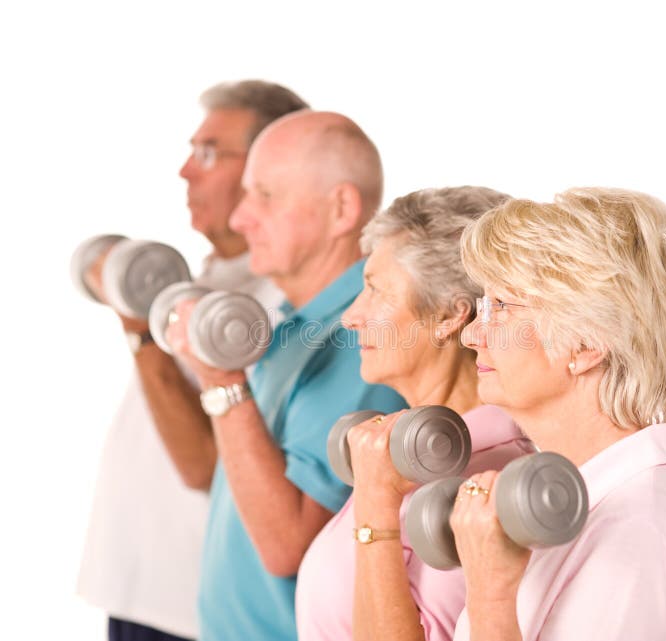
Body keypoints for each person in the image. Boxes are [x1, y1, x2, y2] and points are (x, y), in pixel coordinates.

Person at [77, 80, 309, 641]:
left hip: (190, 610)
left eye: (209, 152)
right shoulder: (200, 281)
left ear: (267, 169)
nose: (186, 171)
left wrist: (141, 335)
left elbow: (206, 465)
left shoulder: (281, 310)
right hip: (134, 591)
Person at [449, 188, 666, 640]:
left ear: (585, 344)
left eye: (501, 307)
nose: (470, 335)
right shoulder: (591, 504)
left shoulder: (638, 529)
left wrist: (490, 596)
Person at [165, 110, 407, 641]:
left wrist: (220, 379)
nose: (239, 219)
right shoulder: (295, 326)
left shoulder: (362, 341)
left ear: (341, 208)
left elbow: (285, 545)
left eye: (265, 196)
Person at [295, 186, 533, 641]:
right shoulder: (395, 457)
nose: (351, 316)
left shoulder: (488, 486)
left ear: (448, 315)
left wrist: (375, 502)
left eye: (375, 291)